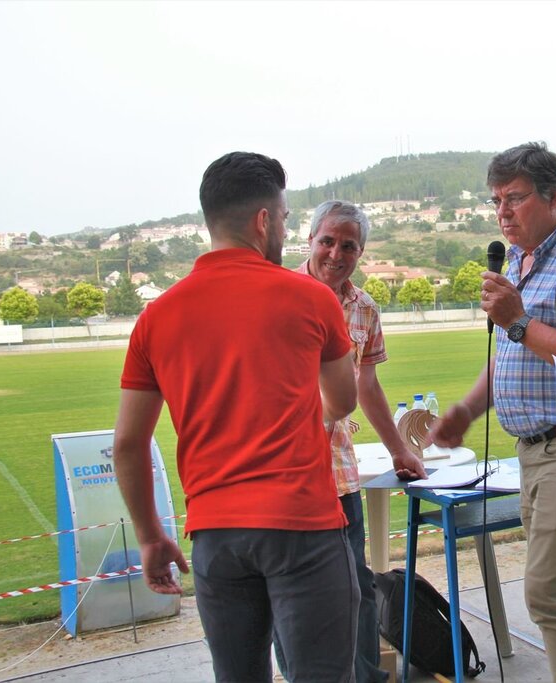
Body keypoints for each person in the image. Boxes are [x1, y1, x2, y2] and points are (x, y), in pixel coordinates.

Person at [113, 152, 360, 682]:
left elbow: (129, 443)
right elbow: (343, 401)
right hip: (303, 527)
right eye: (287, 218)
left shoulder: (157, 316)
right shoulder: (313, 298)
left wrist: (151, 535)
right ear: (264, 221)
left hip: (215, 534)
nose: (286, 229)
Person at [429, 142, 556, 682]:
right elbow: (511, 359)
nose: (502, 211)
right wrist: (468, 410)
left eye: (514, 198)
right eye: (496, 200)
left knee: (549, 592)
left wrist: (518, 319)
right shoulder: (521, 261)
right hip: (535, 451)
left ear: (554, 196)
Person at [272, 200, 427, 683]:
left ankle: (363, 677)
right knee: (289, 596)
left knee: (355, 588)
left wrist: (401, 449)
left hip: (338, 473)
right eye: (327, 241)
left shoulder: (364, 307)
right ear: (309, 239)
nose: (336, 253)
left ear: (361, 251)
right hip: (284, 474)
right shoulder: (278, 294)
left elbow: (368, 386)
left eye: (349, 245)